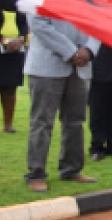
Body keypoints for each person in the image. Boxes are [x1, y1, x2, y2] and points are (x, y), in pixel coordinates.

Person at [23, 16, 99, 193]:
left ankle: (71, 170)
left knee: (75, 121)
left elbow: (98, 23)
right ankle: (36, 175)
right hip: (46, 67)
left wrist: (89, 50)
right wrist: (71, 51)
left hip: (80, 67)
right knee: (42, 122)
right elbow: (38, 25)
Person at [0, 10, 28, 134]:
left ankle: (8, 125)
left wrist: (21, 38)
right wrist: (4, 40)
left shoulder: (19, 7)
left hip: (14, 52)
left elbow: (24, 24)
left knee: (10, 88)